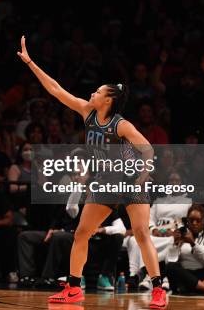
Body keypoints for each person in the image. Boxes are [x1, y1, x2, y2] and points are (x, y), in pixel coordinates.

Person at [17, 36, 166, 308]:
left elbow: (148, 151)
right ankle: (73, 288)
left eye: (97, 92)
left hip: (131, 180)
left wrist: (142, 177)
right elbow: (56, 90)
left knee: (142, 234)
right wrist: (30, 63)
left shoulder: (122, 125)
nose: (92, 94)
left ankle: (158, 288)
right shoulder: (87, 112)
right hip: (107, 181)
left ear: (108, 99)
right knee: (82, 233)